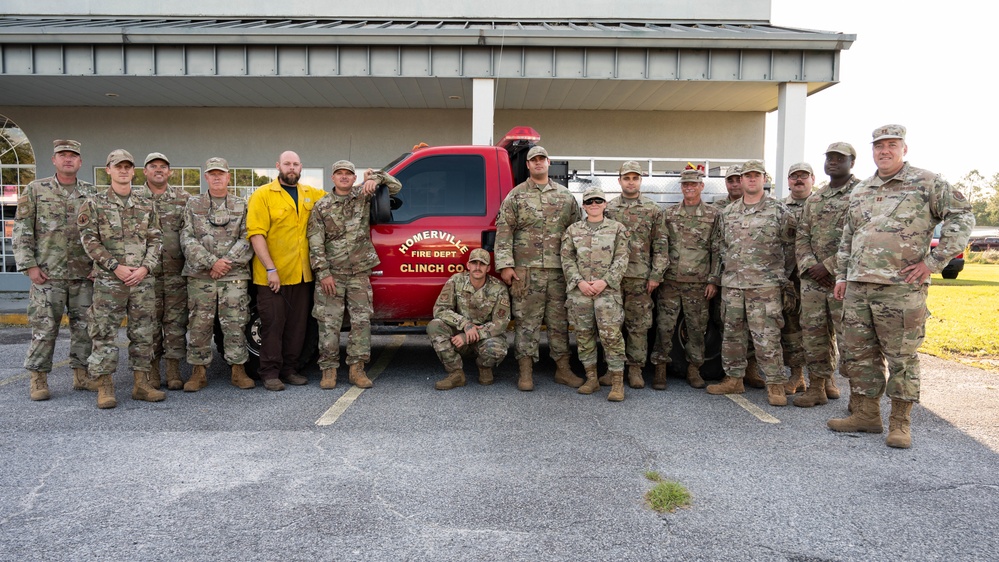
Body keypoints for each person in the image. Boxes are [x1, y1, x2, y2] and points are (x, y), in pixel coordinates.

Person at [829, 125, 974, 448]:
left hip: (901, 288)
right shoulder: (862, 190)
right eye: (879, 146)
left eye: (892, 145)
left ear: (904, 149)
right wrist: (842, 276)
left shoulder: (926, 183)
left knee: (901, 357)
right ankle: (866, 415)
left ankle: (900, 422)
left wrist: (933, 263)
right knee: (859, 355)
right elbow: (849, 237)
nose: (885, 151)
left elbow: (962, 216)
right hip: (858, 286)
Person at [78, 149, 164, 409]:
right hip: (109, 282)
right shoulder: (94, 203)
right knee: (103, 333)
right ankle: (105, 387)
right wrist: (115, 267)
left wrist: (145, 268)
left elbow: (156, 239)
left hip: (141, 282)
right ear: (108, 170)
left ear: (133, 171)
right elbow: (89, 241)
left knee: (143, 333)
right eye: (118, 167)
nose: (123, 171)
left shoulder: (145, 203)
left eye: (128, 167)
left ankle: (141, 384)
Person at [706, 159, 796, 407]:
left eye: (756, 175)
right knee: (732, 335)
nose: (751, 179)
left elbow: (791, 248)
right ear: (741, 180)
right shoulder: (727, 213)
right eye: (747, 176)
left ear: (764, 179)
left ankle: (776, 384)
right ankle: (734, 379)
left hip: (764, 287)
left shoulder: (779, 212)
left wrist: (777, 275)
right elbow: (721, 248)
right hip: (733, 285)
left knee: (766, 336)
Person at [307, 160, 401, 390]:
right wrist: (323, 272)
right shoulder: (321, 206)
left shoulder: (363, 195)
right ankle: (328, 371)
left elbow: (396, 186)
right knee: (329, 324)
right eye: (339, 174)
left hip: (359, 272)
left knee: (361, 323)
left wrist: (375, 177)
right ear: (333, 178)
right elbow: (315, 241)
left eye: (348, 174)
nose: (344, 177)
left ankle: (357, 370)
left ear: (353, 177)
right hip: (332, 275)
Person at [495, 145, 583, 391]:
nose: (538, 163)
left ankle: (563, 370)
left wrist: (579, 269)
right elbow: (504, 231)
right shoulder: (516, 195)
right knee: (526, 322)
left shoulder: (565, 196)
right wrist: (505, 265)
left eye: (542, 159)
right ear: (528, 165)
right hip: (526, 272)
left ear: (548, 162)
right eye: (534, 160)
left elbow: (577, 233)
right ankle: (525, 373)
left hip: (559, 271)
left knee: (559, 322)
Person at [14, 140, 97, 400]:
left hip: (83, 274)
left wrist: (97, 264)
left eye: (73, 155)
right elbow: (22, 229)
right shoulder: (36, 189)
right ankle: (38, 378)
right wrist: (29, 265)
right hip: (48, 274)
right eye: (63, 155)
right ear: (54, 160)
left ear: (80, 162)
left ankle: (81, 375)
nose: (68, 159)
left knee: (84, 328)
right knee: (45, 329)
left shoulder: (91, 193)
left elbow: (99, 233)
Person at [246, 151, 325, 391]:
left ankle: (290, 369)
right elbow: (256, 234)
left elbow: (341, 196)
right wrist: (270, 268)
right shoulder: (263, 195)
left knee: (297, 326)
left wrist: (374, 178)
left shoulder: (311, 194)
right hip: (273, 276)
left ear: (301, 167)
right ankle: (269, 373)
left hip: (302, 274)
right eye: (287, 164)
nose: (292, 168)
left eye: (296, 164)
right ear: (278, 166)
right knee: (272, 325)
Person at [792, 143, 860, 408]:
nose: (833, 162)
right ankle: (817, 387)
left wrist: (829, 267)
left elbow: (860, 237)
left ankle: (859, 397)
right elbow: (802, 234)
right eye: (829, 157)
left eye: (839, 158)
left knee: (851, 339)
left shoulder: (861, 193)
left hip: (844, 279)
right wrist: (811, 266)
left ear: (851, 162)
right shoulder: (816, 198)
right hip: (812, 281)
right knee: (813, 334)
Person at [180, 157, 255, 391]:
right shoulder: (193, 204)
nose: (216, 177)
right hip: (200, 275)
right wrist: (211, 262)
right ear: (206, 177)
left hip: (233, 275)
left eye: (220, 173)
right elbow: (187, 237)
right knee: (199, 323)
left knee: (235, 322)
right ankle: (198, 372)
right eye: (212, 173)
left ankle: (238, 369)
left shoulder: (241, 205)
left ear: (228, 177)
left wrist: (226, 263)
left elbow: (247, 237)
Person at [650, 168, 721, 390]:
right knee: (664, 327)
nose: (689, 188)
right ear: (681, 188)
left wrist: (713, 280)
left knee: (697, 328)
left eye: (693, 184)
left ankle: (694, 369)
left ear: (701, 187)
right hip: (670, 282)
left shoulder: (713, 215)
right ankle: (660, 368)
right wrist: (657, 275)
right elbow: (661, 246)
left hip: (698, 284)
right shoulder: (668, 214)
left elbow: (717, 250)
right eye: (685, 185)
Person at [603, 161, 668, 389]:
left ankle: (635, 369)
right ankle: (613, 369)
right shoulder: (608, 209)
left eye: (635, 178)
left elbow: (661, 245)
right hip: (612, 277)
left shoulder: (652, 209)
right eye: (627, 178)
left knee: (638, 325)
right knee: (612, 325)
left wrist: (656, 275)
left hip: (640, 277)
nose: (631, 182)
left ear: (640, 181)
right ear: (619, 180)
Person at [561, 186, 630, 401]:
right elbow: (567, 259)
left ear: (605, 204)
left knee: (611, 337)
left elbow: (622, 258)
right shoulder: (573, 230)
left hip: (607, 293)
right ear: (583, 206)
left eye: (598, 201)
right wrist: (579, 282)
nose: (594, 205)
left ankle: (617, 383)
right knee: (584, 336)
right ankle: (591, 378)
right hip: (580, 293)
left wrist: (605, 282)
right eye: (590, 202)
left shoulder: (617, 229)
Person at [133, 152, 190, 391]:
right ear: (144, 171)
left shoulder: (184, 199)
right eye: (153, 166)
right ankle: (153, 370)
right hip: (146, 274)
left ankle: (174, 370)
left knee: (176, 323)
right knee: (150, 323)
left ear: (169, 172)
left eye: (163, 167)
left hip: (176, 272)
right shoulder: (134, 198)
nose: (158, 170)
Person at [426, 249, 511, 390]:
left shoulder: (498, 288)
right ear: (468, 265)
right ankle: (456, 373)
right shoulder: (456, 280)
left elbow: (500, 323)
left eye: (482, 264)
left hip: (484, 338)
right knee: (435, 326)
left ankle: (484, 367)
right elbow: (440, 310)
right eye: (474, 263)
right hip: (458, 335)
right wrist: (464, 324)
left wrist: (468, 336)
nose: (477, 267)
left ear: (488, 268)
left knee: (497, 349)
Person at [779, 162, 813, 394]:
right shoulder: (780, 208)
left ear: (812, 178)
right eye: (794, 176)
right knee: (791, 328)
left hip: (817, 276)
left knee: (821, 328)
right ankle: (797, 375)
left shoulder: (821, 205)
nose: (798, 180)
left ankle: (825, 379)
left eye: (803, 176)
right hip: (790, 276)